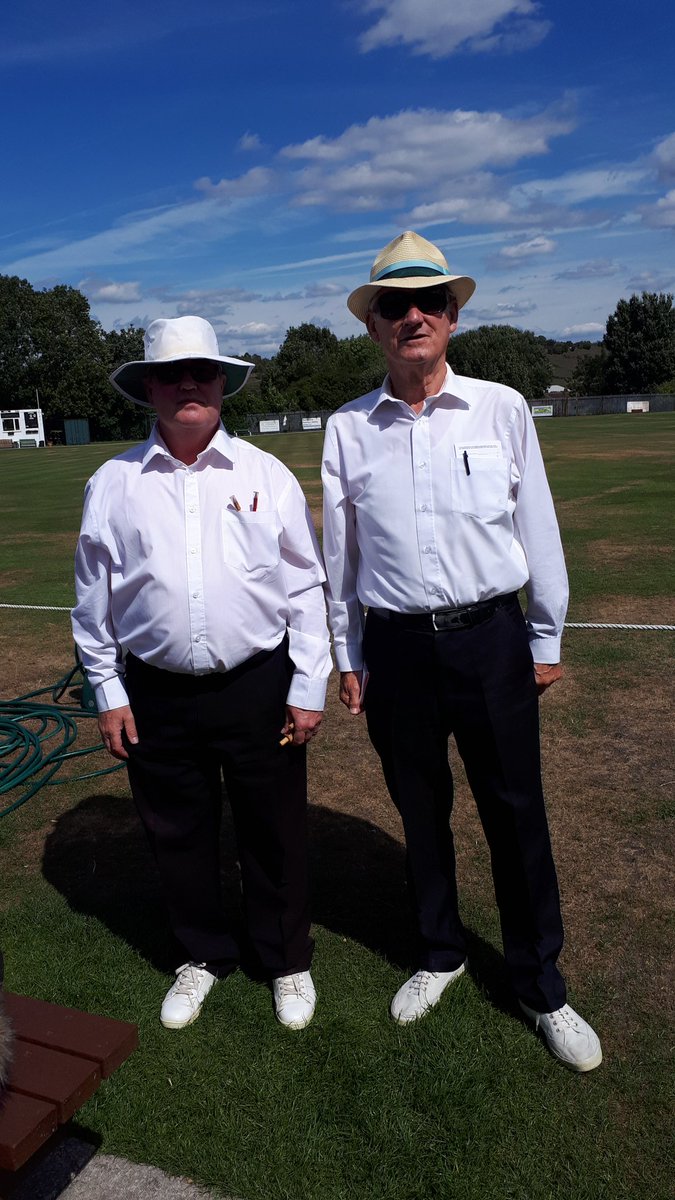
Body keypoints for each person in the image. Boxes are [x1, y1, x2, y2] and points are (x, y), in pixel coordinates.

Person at [321, 231, 602, 1072]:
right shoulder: (346, 428)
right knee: (420, 810)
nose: (412, 316)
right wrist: (348, 654)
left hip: (491, 640)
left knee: (515, 812)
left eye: (428, 302)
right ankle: (439, 952)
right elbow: (341, 556)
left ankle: (539, 982)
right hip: (397, 649)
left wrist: (543, 632)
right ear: (373, 326)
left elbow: (537, 526)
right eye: (393, 306)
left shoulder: (501, 406)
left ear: (451, 316)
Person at [72, 316, 331, 1032]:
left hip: (257, 684)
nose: (189, 383)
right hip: (155, 692)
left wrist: (308, 686)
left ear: (221, 385)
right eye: (171, 373)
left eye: (202, 372)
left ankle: (284, 960)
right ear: (148, 387)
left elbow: (305, 587)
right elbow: (92, 601)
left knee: (273, 829)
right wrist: (108, 691)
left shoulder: (263, 473)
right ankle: (201, 955)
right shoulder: (113, 482)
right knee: (175, 832)